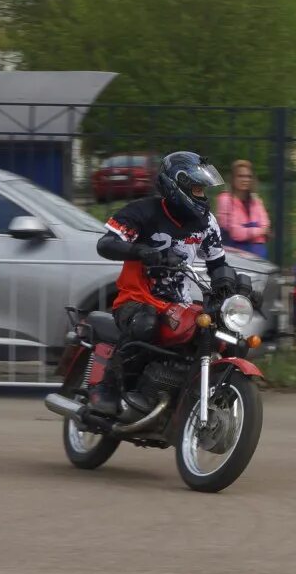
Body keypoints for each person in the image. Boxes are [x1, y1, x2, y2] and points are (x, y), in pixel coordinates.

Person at [88, 151, 256, 416]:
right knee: (146, 324)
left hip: (177, 303)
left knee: (227, 336)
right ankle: (108, 388)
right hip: (136, 299)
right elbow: (105, 244)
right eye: (198, 189)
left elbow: (217, 264)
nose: (203, 196)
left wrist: (233, 287)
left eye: (204, 189)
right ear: (177, 186)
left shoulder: (206, 223)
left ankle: (193, 393)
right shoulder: (143, 213)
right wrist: (142, 251)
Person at [216, 159, 270, 259]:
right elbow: (236, 234)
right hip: (235, 253)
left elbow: (266, 225)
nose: (245, 179)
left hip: (258, 252)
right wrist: (258, 229)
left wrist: (246, 228)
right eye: (240, 176)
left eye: (248, 176)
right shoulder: (225, 200)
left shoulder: (256, 200)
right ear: (233, 178)